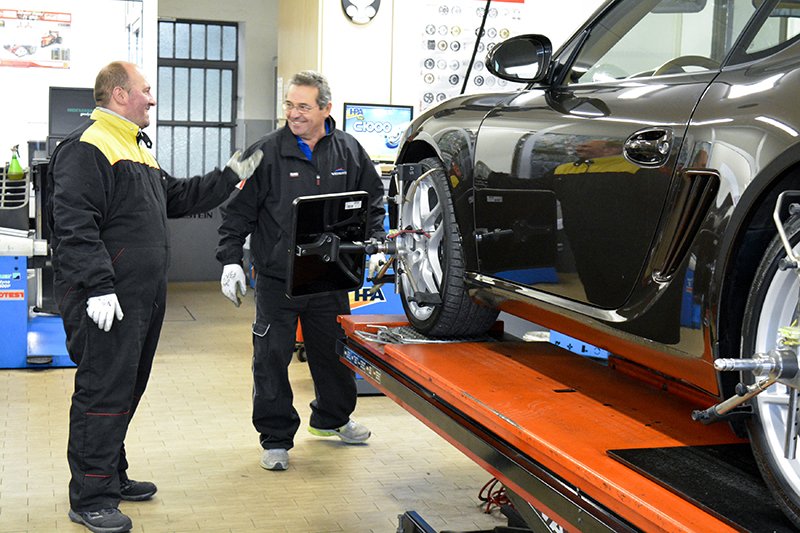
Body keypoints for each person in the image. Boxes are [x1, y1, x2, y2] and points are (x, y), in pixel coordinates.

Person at [46, 61, 263, 533]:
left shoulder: (135, 147)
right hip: (108, 299)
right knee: (103, 389)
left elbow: (178, 197)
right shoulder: (88, 147)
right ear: (120, 95)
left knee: (127, 387)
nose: (153, 99)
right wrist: (99, 285)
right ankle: (91, 497)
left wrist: (229, 176)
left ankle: (111, 473)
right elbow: (74, 223)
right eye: (146, 91)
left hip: (139, 296)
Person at [216, 70, 385, 471]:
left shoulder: (349, 151)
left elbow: (373, 201)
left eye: (303, 106)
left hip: (331, 275)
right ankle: (275, 438)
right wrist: (229, 260)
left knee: (332, 353)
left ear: (326, 108)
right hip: (279, 278)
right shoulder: (264, 152)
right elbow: (235, 212)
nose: (294, 114)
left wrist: (376, 243)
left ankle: (332, 419)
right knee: (271, 358)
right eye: (289, 105)